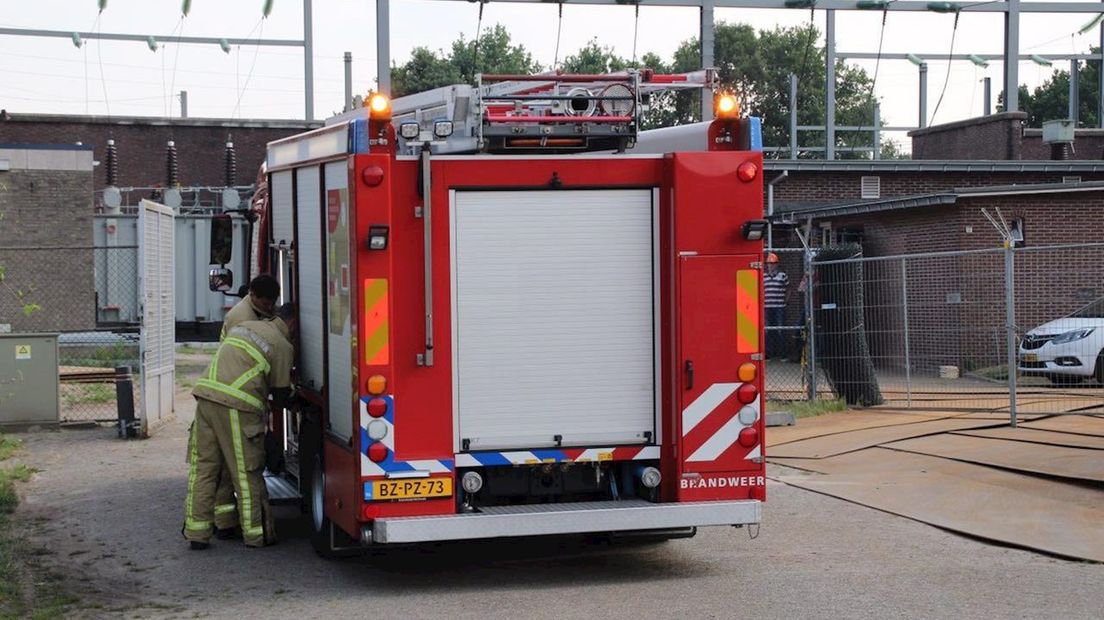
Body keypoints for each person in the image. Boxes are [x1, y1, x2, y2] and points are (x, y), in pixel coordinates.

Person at [184, 303, 295, 550]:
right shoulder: (282, 345)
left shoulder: (245, 327)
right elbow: (280, 396)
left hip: (205, 397)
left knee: (205, 468)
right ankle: (256, 535)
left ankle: (198, 533)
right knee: (246, 472)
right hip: (237, 407)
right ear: (292, 324)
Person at [208, 274, 281, 539]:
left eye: (273, 303)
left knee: (226, 464)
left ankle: (224, 521)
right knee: (239, 465)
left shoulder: (254, 311)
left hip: (230, 393)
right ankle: (233, 525)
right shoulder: (243, 317)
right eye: (266, 302)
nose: (271, 307)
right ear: (252, 293)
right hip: (235, 397)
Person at [763, 253, 789, 359]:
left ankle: (782, 354)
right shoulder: (763, 276)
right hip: (767, 307)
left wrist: (786, 301)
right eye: (769, 263)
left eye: (773, 263)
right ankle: (769, 354)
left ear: (777, 264)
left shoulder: (783, 276)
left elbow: (789, 289)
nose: (771, 266)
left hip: (779, 307)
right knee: (767, 330)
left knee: (780, 329)